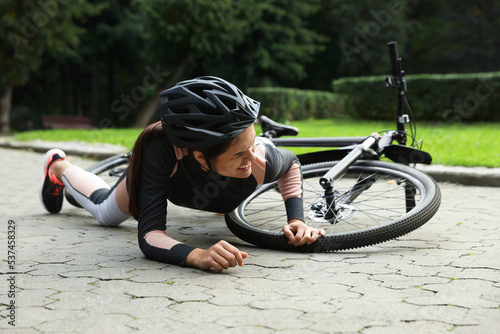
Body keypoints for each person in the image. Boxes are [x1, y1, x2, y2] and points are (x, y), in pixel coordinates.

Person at [39, 76, 325, 272]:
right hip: (175, 180)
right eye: (240, 154)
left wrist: (296, 218)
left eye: (252, 145)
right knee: (106, 213)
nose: (251, 158)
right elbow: (150, 236)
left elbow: (292, 165)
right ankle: (57, 166)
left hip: (211, 188)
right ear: (199, 155)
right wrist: (196, 255)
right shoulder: (160, 150)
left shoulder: (260, 158)